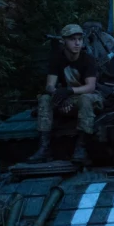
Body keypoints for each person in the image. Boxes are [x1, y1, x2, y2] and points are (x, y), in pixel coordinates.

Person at [28, 24, 102, 164]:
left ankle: (81, 147)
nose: (77, 43)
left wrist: (69, 91)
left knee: (86, 99)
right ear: (64, 41)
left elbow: (90, 87)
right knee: (44, 99)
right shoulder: (57, 58)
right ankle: (44, 147)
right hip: (65, 99)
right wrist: (59, 97)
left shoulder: (87, 59)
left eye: (80, 39)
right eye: (72, 39)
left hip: (85, 97)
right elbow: (49, 85)